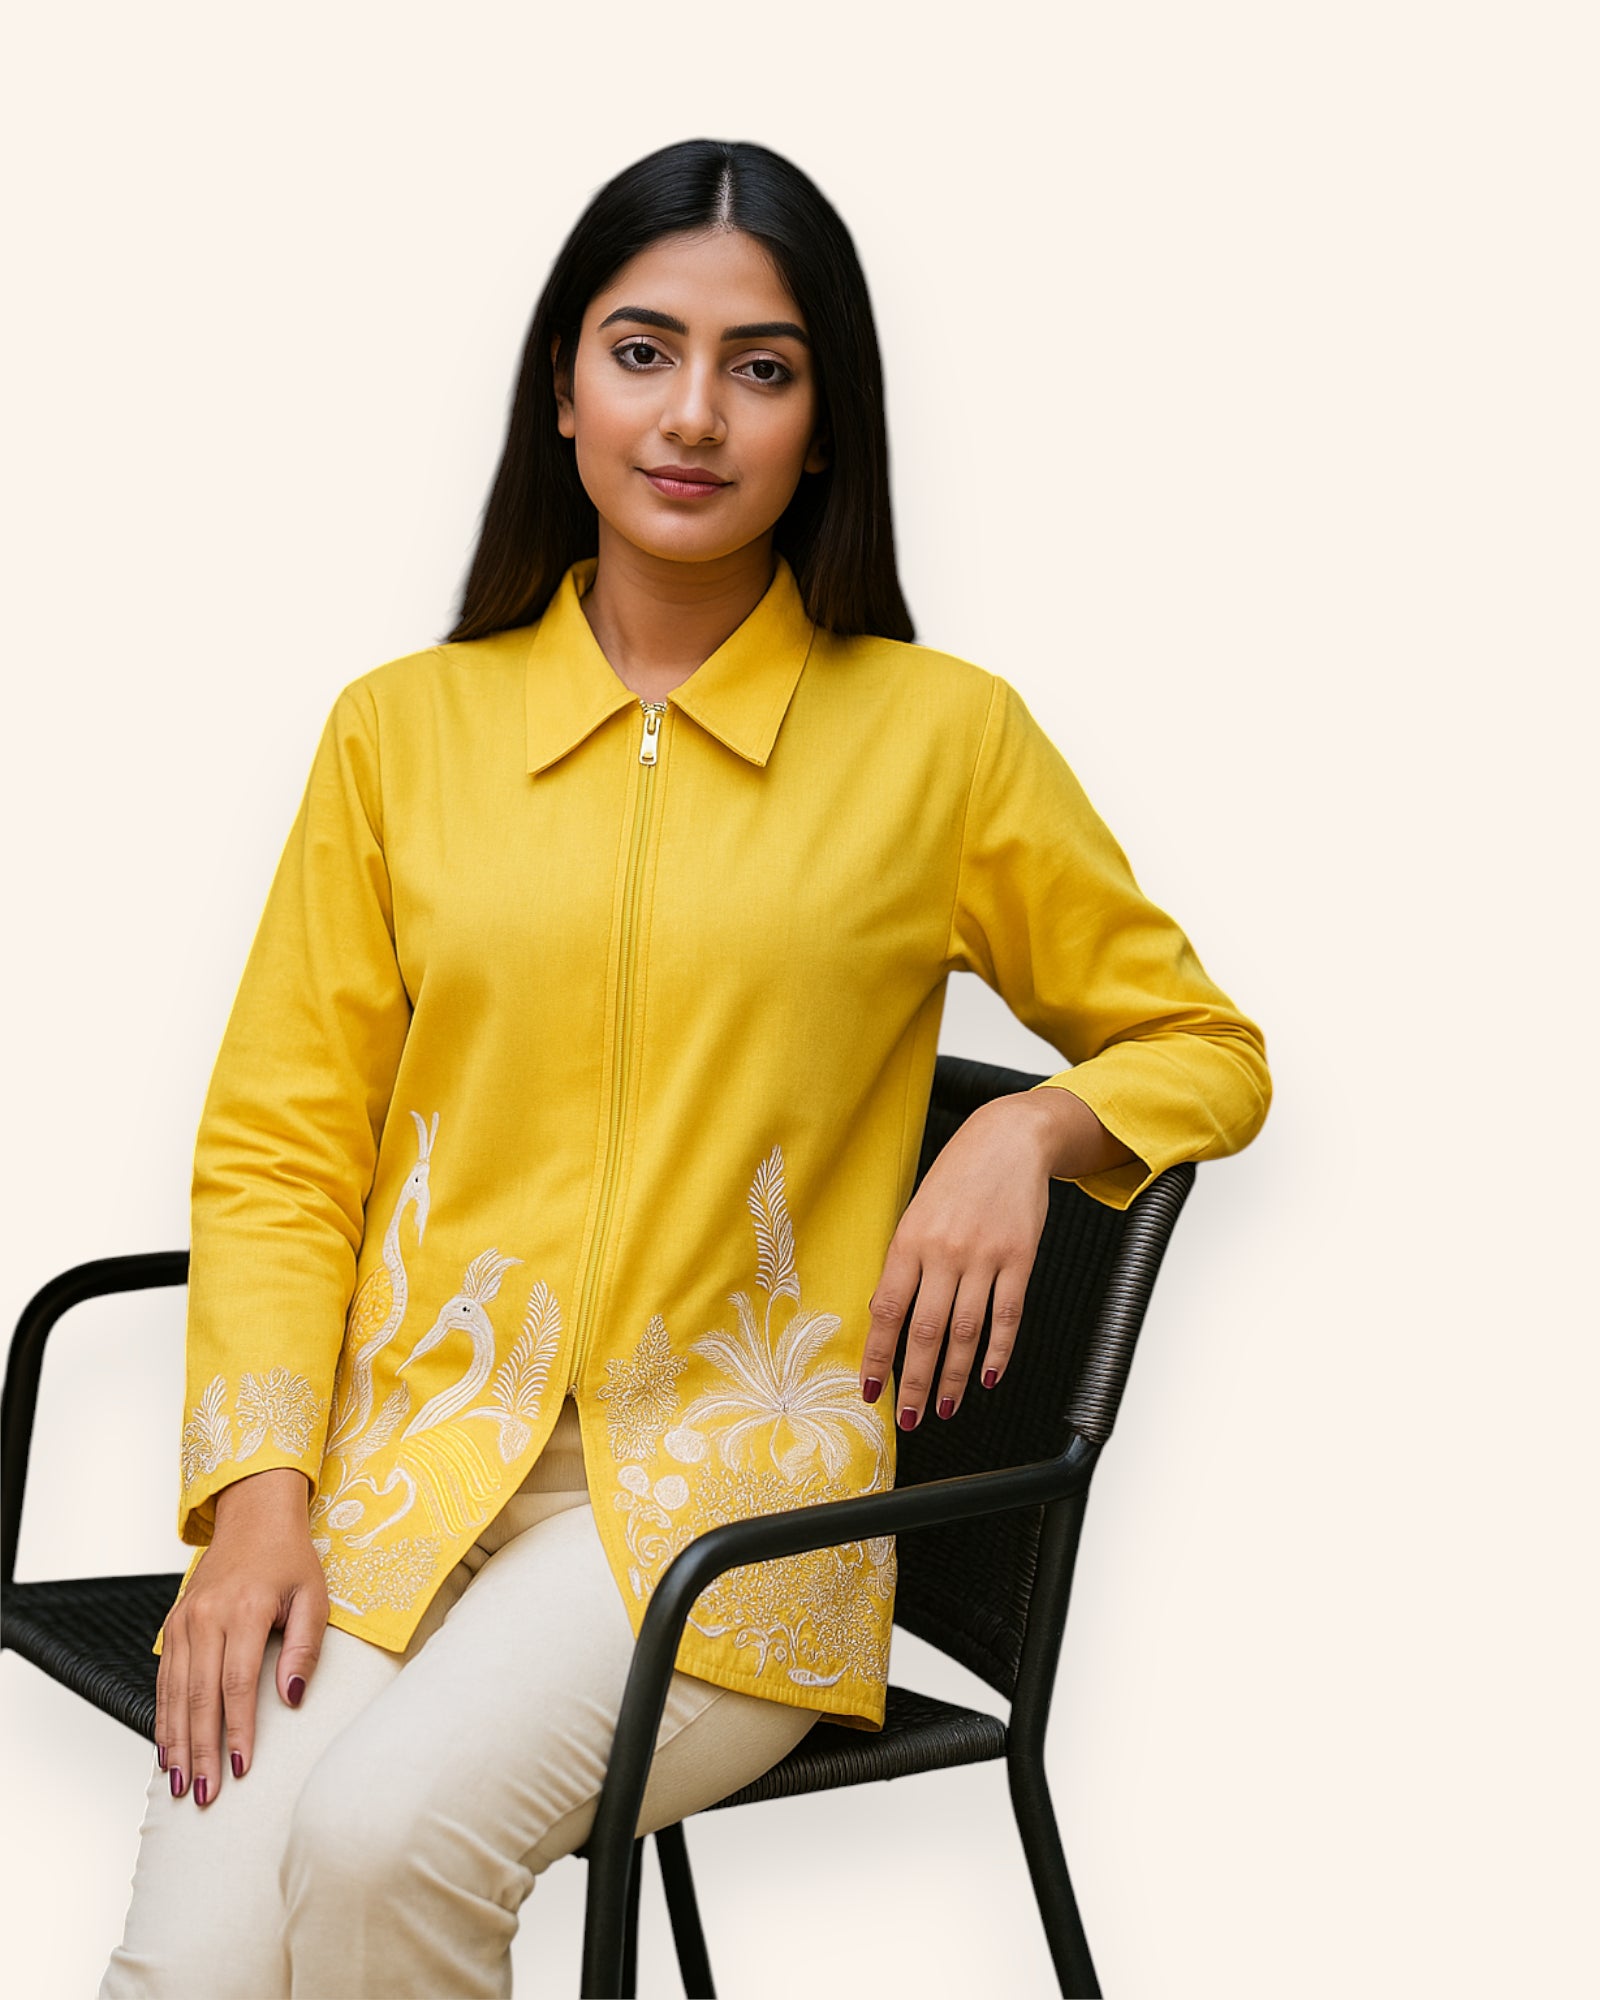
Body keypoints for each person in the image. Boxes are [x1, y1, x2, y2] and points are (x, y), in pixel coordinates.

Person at [98, 135, 1272, 1997]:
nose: (696, 415)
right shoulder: (400, 733)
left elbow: (1202, 1042)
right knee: (202, 1956)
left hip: (738, 1510)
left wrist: (1034, 1133)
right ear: (562, 389)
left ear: (826, 422)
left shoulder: (940, 741)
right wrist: (254, 1516)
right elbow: (278, 1149)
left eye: (764, 366)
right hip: (403, 1475)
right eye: (643, 352)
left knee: (385, 1849)